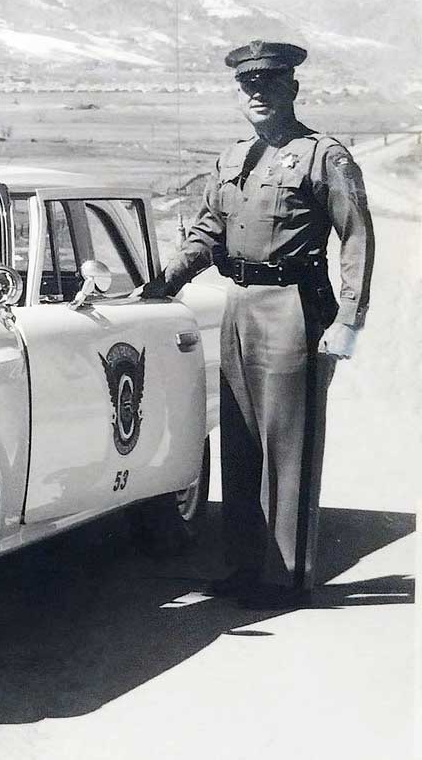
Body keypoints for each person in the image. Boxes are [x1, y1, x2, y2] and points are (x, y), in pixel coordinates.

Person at [140, 40, 374, 609]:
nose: (257, 93)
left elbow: (357, 237)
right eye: (248, 85)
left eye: (269, 83)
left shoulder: (323, 156)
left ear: (291, 88)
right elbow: (206, 233)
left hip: (295, 304)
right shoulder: (231, 159)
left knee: (287, 445)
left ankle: (285, 577)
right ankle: (246, 569)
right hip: (238, 303)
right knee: (241, 442)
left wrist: (349, 317)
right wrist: (161, 284)